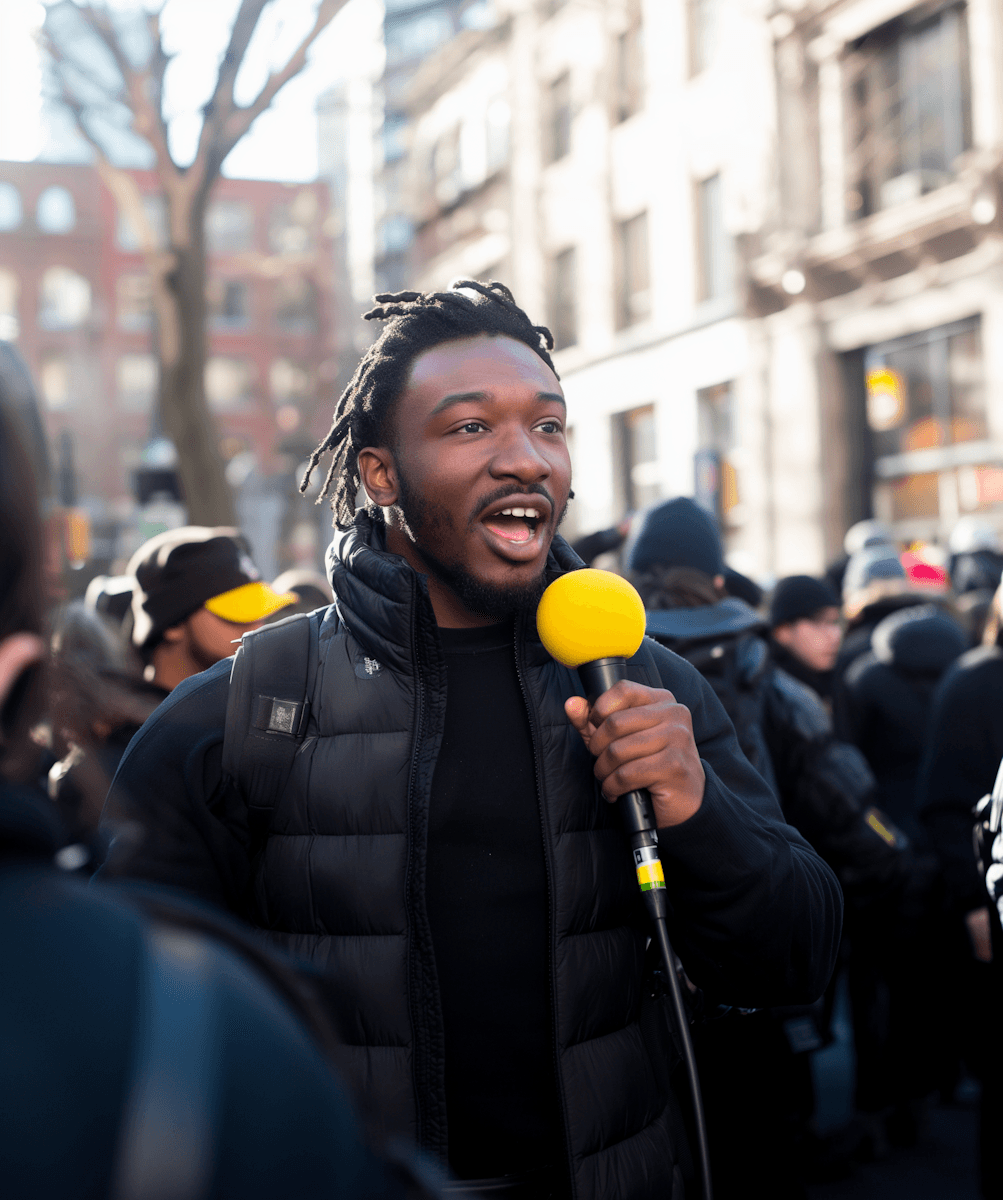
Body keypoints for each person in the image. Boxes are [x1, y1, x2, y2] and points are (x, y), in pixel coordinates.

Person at [101, 281, 842, 1200]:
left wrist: (700, 813)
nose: (524, 459)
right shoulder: (242, 709)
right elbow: (117, 1027)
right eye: (469, 428)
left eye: (548, 425)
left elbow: (796, 959)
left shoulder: (644, 681)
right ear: (381, 475)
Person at [0, 382, 421, 1200]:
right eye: (229, 613)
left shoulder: (294, 706)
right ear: (166, 627)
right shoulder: (147, 764)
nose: (254, 629)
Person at [628, 498, 916, 1196]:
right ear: (718, 582)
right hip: (756, 973)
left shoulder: (598, 674)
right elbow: (850, 813)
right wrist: (895, 864)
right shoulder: (769, 679)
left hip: (635, 996)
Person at [128, 526, 297, 692]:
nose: (257, 629)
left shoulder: (248, 712)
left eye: (260, 614)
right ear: (174, 625)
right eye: (236, 613)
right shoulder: (117, 716)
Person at [769, 575, 842, 704]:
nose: (835, 635)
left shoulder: (840, 685)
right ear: (783, 631)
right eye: (819, 622)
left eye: (835, 622)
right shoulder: (767, 699)